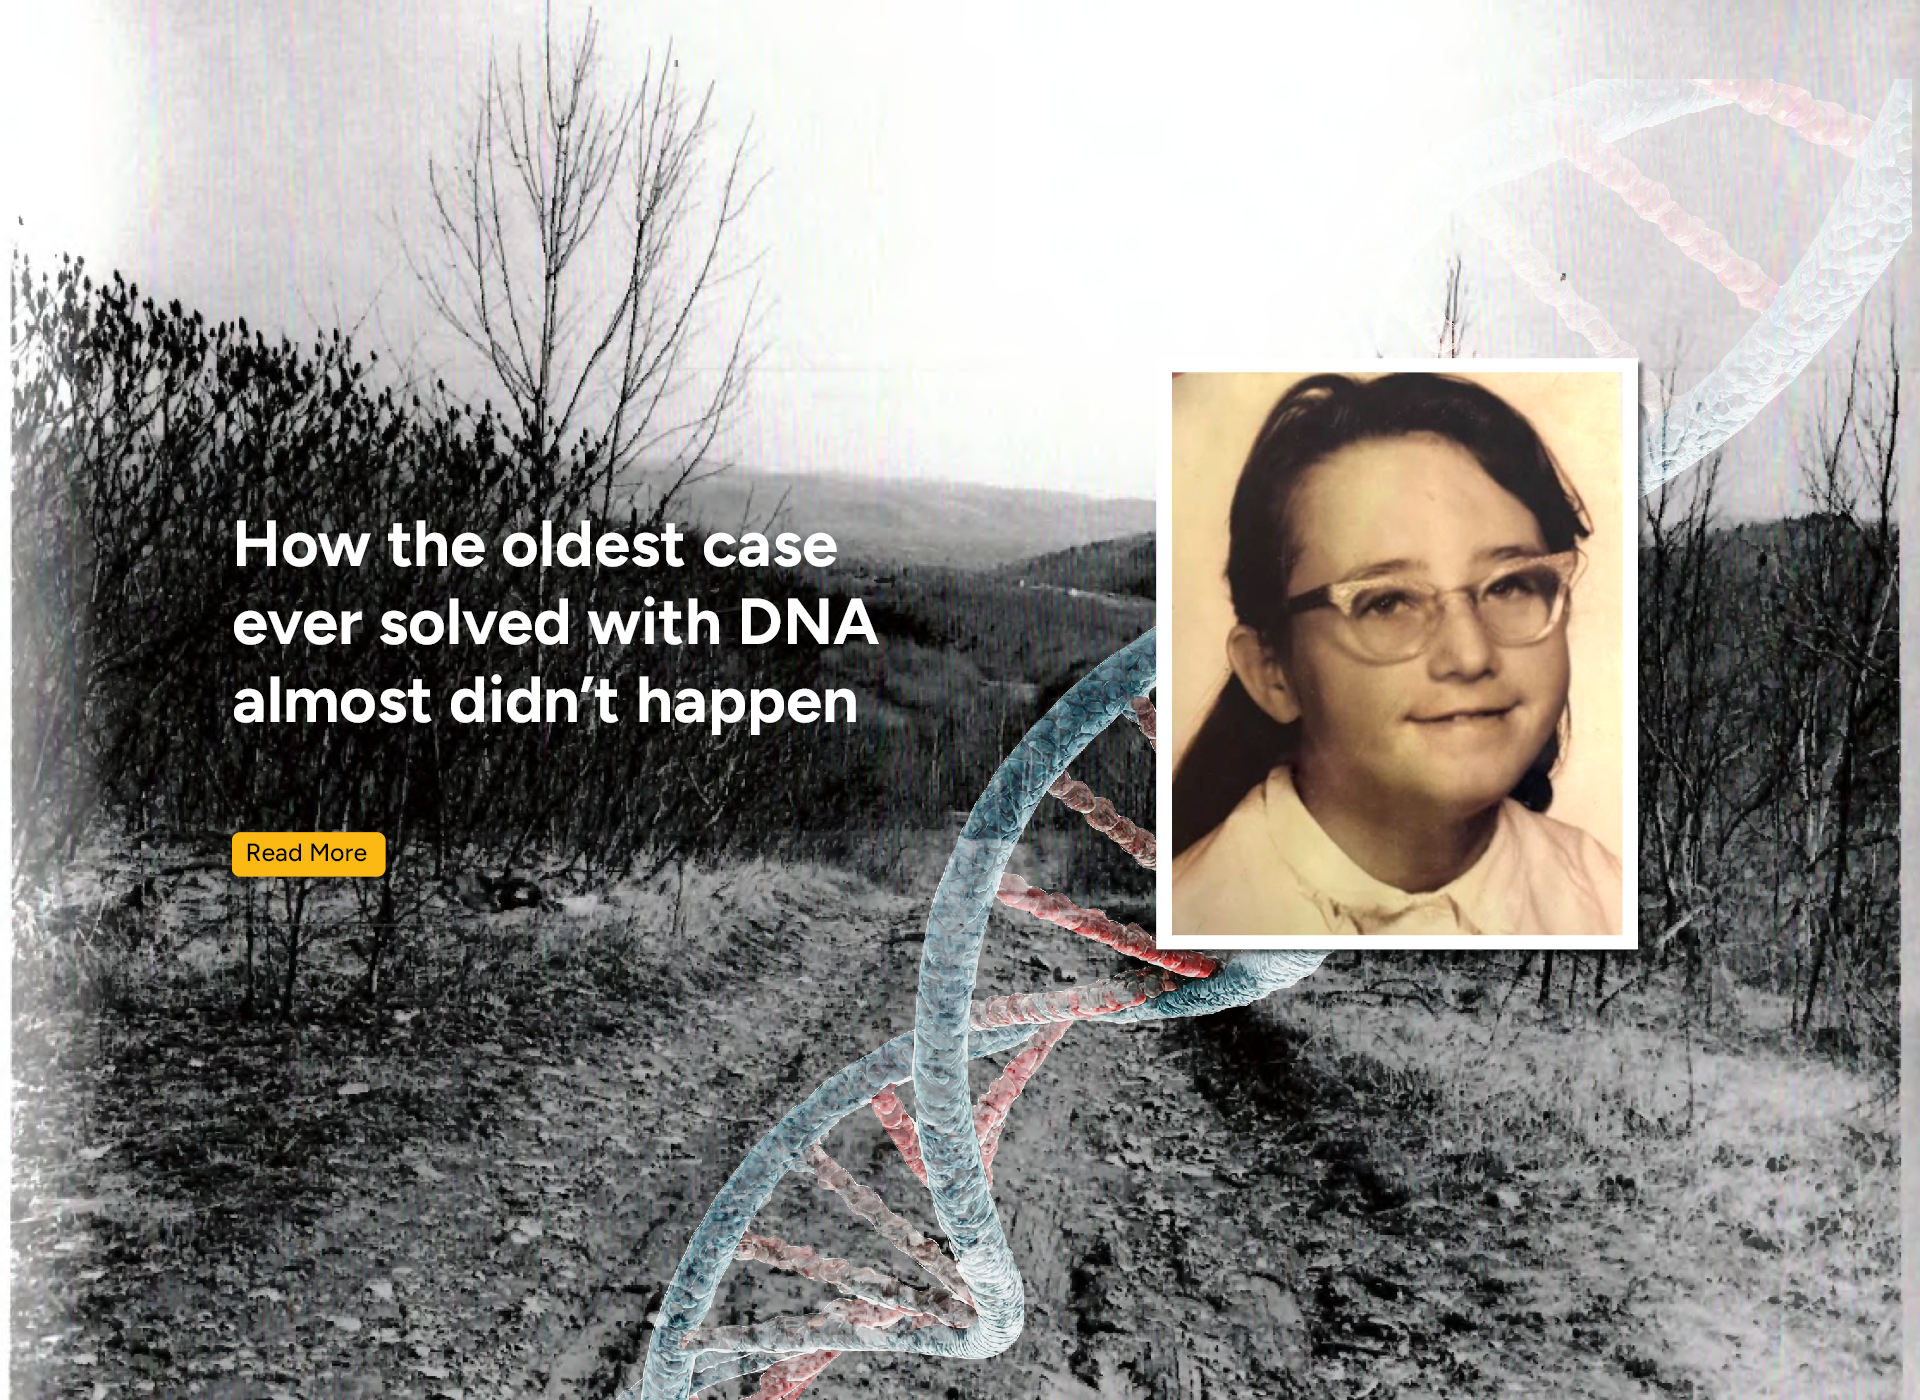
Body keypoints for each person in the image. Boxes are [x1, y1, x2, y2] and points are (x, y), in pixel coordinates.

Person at [1171, 372, 1623, 941]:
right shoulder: (1190, 926)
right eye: (1386, 602)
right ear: (1271, 671)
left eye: (1509, 586)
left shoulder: (1607, 897)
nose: (1469, 654)